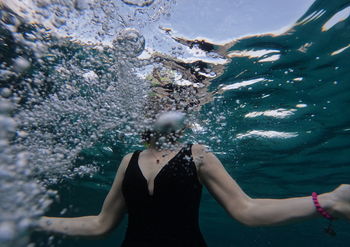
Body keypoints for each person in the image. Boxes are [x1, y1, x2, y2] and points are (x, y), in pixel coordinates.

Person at [37, 112, 350, 246]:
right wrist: (35, 220)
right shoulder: (127, 160)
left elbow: (247, 210)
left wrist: (326, 202)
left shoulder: (197, 153)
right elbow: (101, 224)